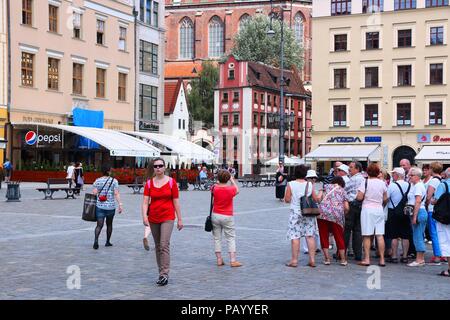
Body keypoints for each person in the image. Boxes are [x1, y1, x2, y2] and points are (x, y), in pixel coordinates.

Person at [141, 158, 183, 286]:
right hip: (153, 217)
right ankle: (161, 273)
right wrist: (144, 216)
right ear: (153, 168)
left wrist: (179, 218)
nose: (158, 168)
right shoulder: (149, 184)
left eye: (160, 166)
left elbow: (176, 201)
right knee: (158, 246)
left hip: (168, 217)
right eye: (155, 166)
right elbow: (144, 202)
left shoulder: (171, 183)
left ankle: (164, 274)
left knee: (164, 244)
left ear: (165, 167)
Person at [284, 165, 321, 268]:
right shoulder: (309, 184)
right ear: (305, 174)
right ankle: (312, 260)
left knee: (295, 236)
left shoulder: (290, 184)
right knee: (309, 236)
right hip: (308, 212)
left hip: (295, 213)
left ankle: (294, 260)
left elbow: (287, 199)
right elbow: (314, 198)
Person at [356, 163, 388, 267]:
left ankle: (367, 259)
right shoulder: (382, 183)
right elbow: (385, 198)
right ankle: (382, 259)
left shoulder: (365, 182)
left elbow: (359, 198)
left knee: (366, 235)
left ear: (367, 172)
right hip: (379, 209)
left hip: (367, 210)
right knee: (379, 235)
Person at [211, 170, 241, 267]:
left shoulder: (214, 188)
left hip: (215, 215)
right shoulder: (230, 189)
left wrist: (218, 182)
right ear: (228, 179)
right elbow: (237, 190)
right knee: (230, 238)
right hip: (227, 215)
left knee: (217, 238)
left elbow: (214, 187)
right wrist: (232, 180)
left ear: (218, 178)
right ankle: (233, 260)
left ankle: (219, 259)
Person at [317, 176, 349, 266]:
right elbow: (346, 207)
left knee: (323, 235)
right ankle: (343, 260)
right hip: (336, 215)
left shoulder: (325, 187)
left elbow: (318, 198)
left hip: (322, 214)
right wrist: (344, 213)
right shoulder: (343, 191)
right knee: (339, 236)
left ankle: (327, 259)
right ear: (342, 184)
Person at [92, 164, 123, 250]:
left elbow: (94, 193)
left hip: (100, 206)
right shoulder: (114, 181)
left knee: (99, 225)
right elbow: (116, 193)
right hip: (110, 206)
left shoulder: (97, 181)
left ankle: (96, 240)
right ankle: (107, 242)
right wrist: (120, 204)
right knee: (109, 224)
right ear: (109, 171)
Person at [385, 168, 411, 264]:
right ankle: (405, 256)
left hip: (393, 211)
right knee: (405, 235)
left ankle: (394, 256)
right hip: (405, 211)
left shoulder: (392, 185)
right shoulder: (409, 185)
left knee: (394, 235)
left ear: (398, 174)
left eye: (394, 173)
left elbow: (386, 198)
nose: (392, 175)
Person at [406, 167, 428, 267]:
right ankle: (420, 258)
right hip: (419, 211)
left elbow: (418, 201)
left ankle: (420, 259)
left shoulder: (418, 186)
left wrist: (414, 217)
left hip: (419, 212)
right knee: (418, 235)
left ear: (417, 176)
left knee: (418, 236)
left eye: (411, 175)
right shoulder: (415, 185)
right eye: (409, 175)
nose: (409, 177)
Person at [344, 161, 365, 261]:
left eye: (351, 167)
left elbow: (344, 189)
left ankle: (342, 252)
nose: (349, 169)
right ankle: (358, 254)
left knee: (347, 229)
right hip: (361, 206)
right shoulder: (364, 179)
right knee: (358, 230)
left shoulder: (354, 179)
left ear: (357, 169)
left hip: (352, 205)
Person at [431, 168, 450, 276]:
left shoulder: (444, 185)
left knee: (447, 242)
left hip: (445, 217)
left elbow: (435, 200)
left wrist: (432, 200)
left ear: (446, 175)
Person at [425, 162, 444, 265]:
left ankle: (437, 256)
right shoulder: (442, 180)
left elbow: (428, 197)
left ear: (432, 169)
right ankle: (443, 255)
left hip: (432, 210)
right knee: (440, 233)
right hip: (440, 210)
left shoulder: (433, 181)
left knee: (433, 233)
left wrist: (427, 205)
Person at [400, 158, 416, 259]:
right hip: (406, 206)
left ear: (409, 165)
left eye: (404, 165)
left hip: (411, 206)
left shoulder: (413, 175)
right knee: (407, 229)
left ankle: (413, 250)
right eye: (401, 165)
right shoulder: (403, 176)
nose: (402, 167)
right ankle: (408, 250)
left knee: (411, 230)